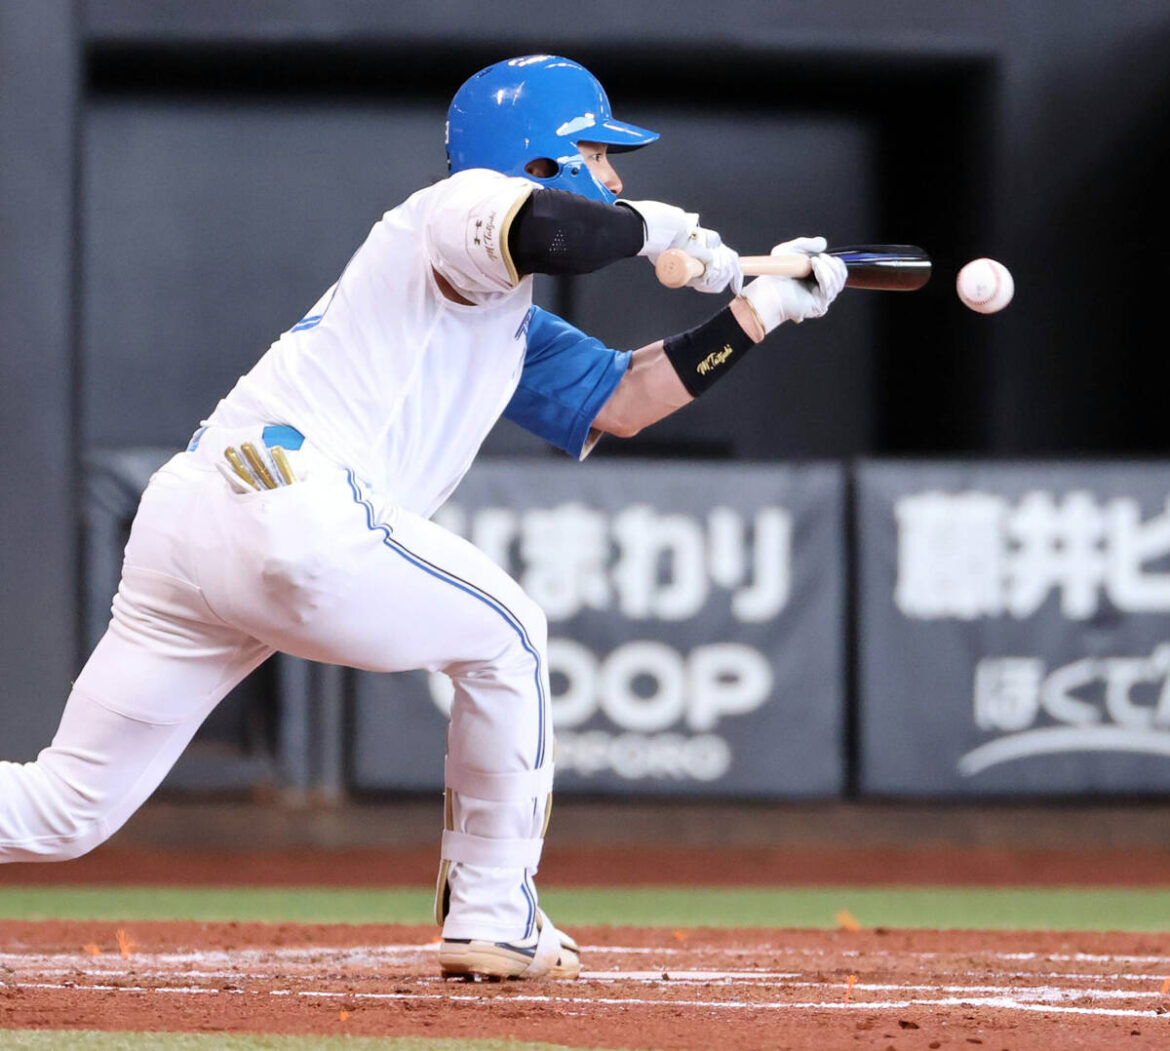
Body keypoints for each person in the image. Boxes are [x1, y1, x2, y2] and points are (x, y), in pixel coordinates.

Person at [0, 55, 846, 980]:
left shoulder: (505, 317)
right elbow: (561, 229)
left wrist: (756, 311)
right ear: (542, 159)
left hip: (195, 520)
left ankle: (493, 908)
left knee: (64, 810)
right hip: (289, 494)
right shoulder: (453, 214)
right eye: (599, 154)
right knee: (511, 635)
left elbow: (624, 400)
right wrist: (658, 232)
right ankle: (492, 910)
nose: (615, 175)